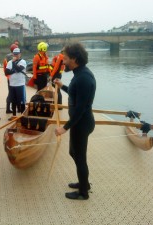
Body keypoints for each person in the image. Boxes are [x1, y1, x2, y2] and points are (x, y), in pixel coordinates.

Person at [54, 42, 96, 200]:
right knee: (74, 153)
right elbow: (74, 93)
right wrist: (62, 85)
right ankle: (83, 182)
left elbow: (81, 108)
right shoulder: (79, 74)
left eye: (65, 59)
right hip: (79, 122)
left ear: (74, 59)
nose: (62, 62)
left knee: (80, 157)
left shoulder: (83, 78)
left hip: (82, 123)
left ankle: (83, 192)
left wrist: (65, 128)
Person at [5, 48, 27, 120]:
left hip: (20, 84)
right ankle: (14, 115)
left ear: (20, 54)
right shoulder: (9, 62)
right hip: (12, 84)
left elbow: (19, 69)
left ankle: (22, 116)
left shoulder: (23, 61)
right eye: (14, 54)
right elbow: (6, 72)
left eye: (17, 54)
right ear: (12, 54)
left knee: (21, 101)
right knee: (13, 101)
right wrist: (14, 70)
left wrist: (14, 65)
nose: (16, 55)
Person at [3, 43, 19, 114]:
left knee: (11, 93)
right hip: (13, 78)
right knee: (14, 93)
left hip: (9, 77)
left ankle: (9, 108)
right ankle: (14, 108)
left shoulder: (7, 57)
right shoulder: (12, 57)